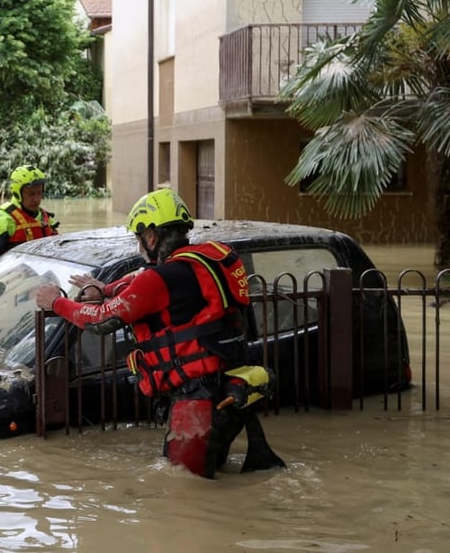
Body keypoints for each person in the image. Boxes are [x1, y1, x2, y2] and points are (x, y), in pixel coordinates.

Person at [34, 188, 285, 479]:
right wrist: (105, 288)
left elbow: (101, 321)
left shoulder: (162, 278)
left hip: (196, 403)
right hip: (229, 390)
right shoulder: (201, 263)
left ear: (151, 236)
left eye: (138, 239)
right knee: (210, 477)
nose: (139, 246)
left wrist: (56, 302)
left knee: (184, 492)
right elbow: (141, 282)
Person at [0, 164, 59, 275]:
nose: (36, 199)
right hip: (10, 281)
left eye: (39, 193)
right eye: (31, 194)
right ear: (17, 193)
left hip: (38, 279)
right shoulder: (2, 218)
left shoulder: (44, 218)